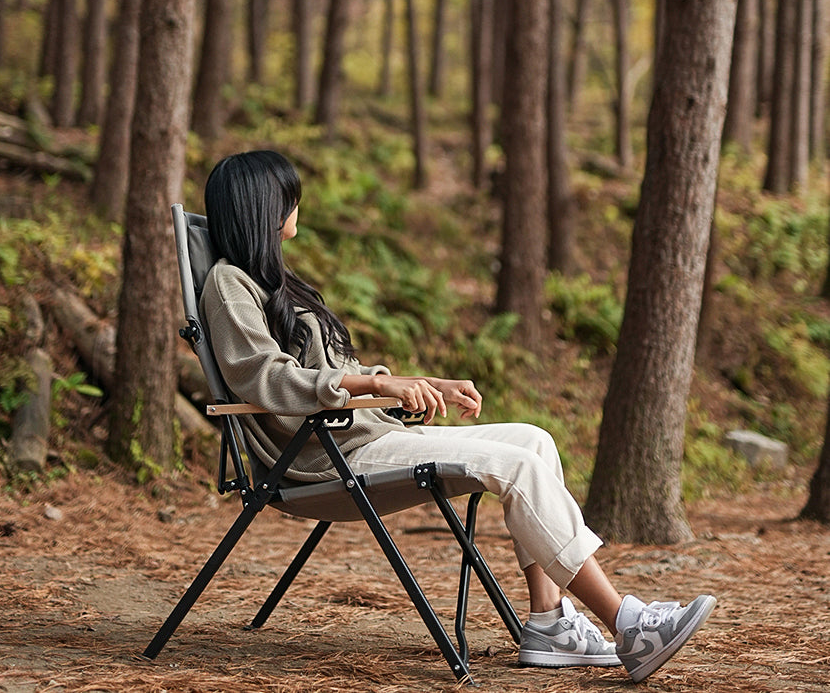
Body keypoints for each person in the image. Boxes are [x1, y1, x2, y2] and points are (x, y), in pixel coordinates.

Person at [200, 149, 716, 683]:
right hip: (328, 458)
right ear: (264, 206)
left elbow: (335, 370)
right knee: (515, 469)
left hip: (363, 436)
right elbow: (264, 377)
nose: (297, 205)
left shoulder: (278, 282)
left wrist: (415, 385)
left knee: (534, 441)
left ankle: (550, 625)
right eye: (289, 196)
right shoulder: (228, 282)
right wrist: (375, 384)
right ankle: (627, 623)